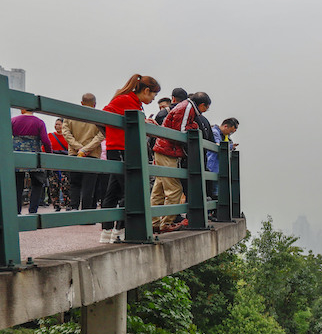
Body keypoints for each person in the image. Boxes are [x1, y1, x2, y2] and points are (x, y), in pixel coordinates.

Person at [100, 74, 161, 243]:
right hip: (120, 148)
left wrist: (144, 122)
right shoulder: (124, 99)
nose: (153, 98)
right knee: (130, 190)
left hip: (123, 148)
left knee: (113, 191)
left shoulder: (134, 102)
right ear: (147, 90)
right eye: (153, 95)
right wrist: (112, 135)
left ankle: (107, 232)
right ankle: (119, 230)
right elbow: (103, 116)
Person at [150, 91, 211, 233]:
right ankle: (166, 223)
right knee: (174, 190)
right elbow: (182, 131)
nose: (205, 112)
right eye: (206, 108)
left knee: (158, 189)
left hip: (162, 149)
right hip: (167, 151)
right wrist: (195, 127)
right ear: (202, 105)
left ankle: (154, 222)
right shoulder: (187, 107)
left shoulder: (185, 107)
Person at [62, 93, 104, 210]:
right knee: (89, 186)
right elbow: (101, 135)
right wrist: (87, 148)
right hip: (92, 154)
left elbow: (66, 133)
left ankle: (74, 209)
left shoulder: (70, 115)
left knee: (75, 184)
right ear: (94, 104)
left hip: (74, 153)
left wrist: (78, 147)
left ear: (81, 103)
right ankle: (86, 213)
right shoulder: (99, 116)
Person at [11, 109, 51, 214]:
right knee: (37, 183)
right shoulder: (39, 122)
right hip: (35, 155)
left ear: (22, 110)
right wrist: (49, 155)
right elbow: (45, 141)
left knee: (17, 185)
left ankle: (16, 212)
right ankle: (33, 210)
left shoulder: (13, 120)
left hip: (17, 154)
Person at [46, 118, 70, 210]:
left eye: (59, 124)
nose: (57, 126)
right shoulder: (50, 136)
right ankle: (56, 205)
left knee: (66, 184)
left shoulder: (68, 136)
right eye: (56, 124)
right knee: (53, 185)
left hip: (65, 163)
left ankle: (68, 203)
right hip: (53, 163)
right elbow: (45, 147)